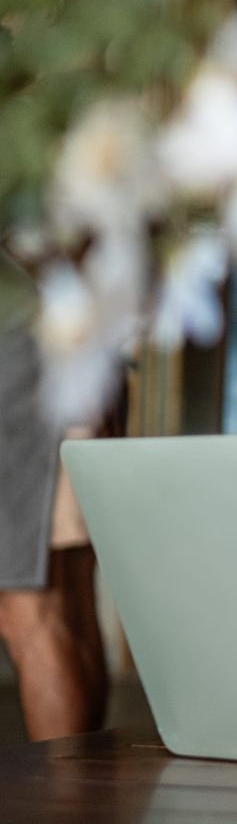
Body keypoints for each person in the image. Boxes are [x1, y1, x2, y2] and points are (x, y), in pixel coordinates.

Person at [0, 306, 109, 742]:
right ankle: (81, 797)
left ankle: (64, 801)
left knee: (30, 605)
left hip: (26, 341)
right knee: (67, 592)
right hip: (61, 338)